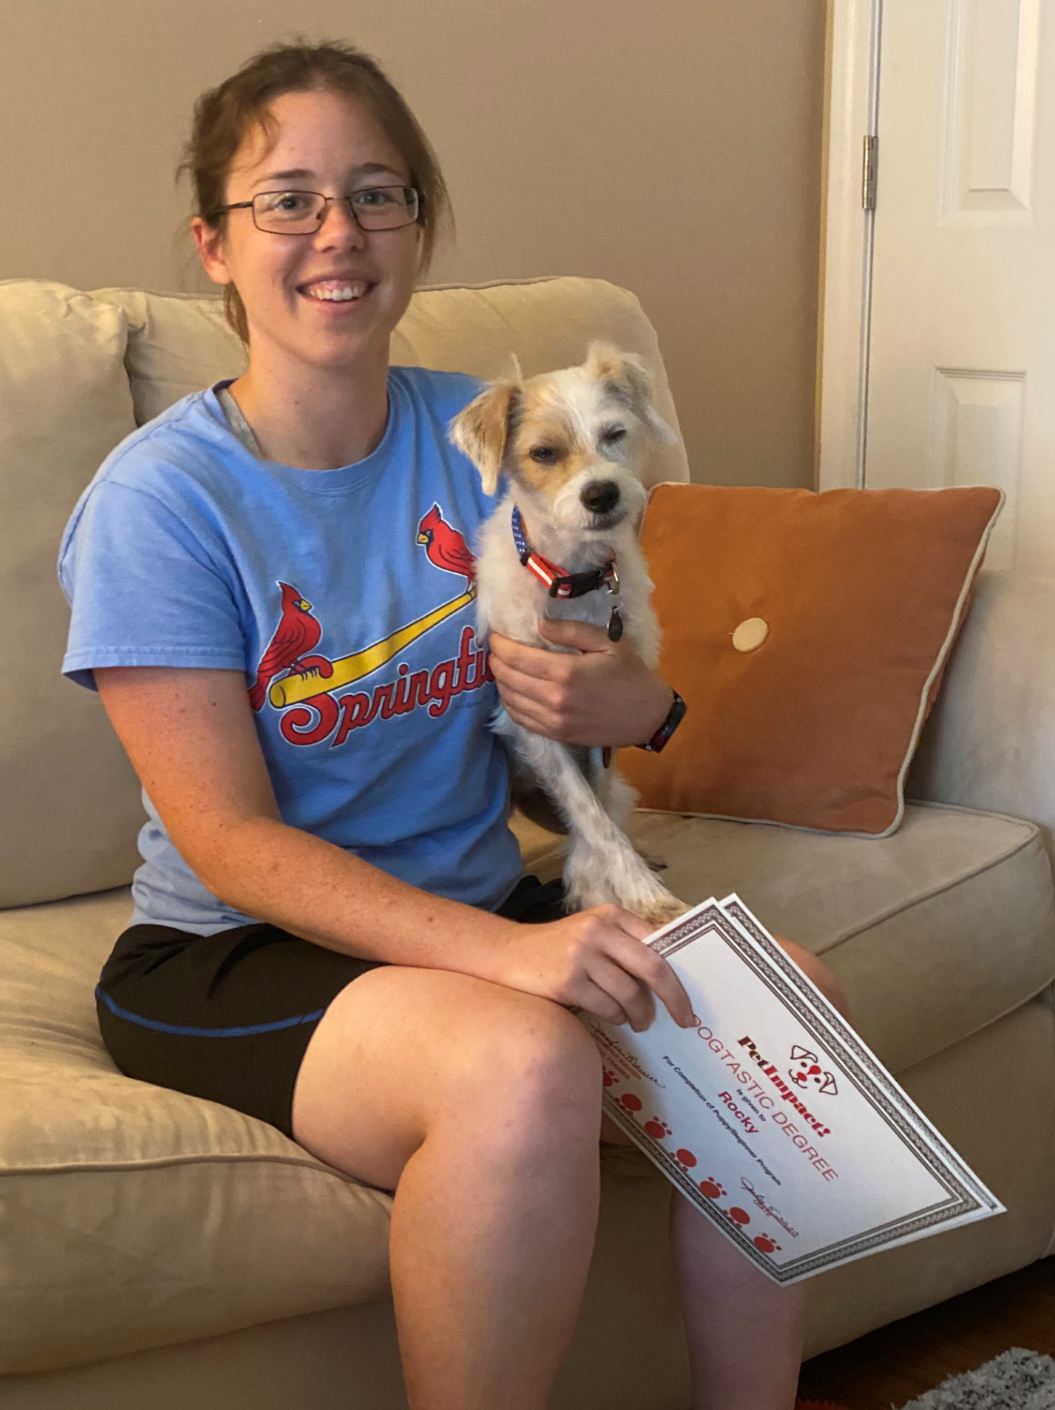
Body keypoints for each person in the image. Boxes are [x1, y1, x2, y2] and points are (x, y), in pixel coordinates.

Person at [59, 41, 848, 1410]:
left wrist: (635, 702)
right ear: (214, 245)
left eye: (378, 193)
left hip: (477, 887)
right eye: (288, 199)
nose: (338, 234)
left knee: (782, 1009)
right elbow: (230, 842)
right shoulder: (162, 501)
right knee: (524, 1065)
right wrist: (512, 959)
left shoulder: (490, 431)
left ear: (418, 222)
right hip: (231, 951)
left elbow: (583, 715)